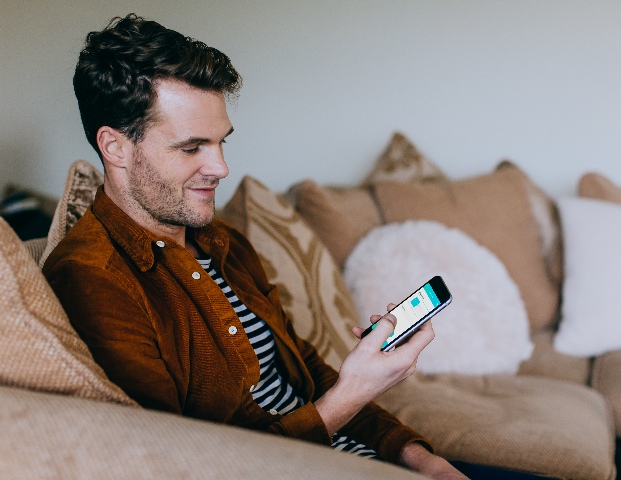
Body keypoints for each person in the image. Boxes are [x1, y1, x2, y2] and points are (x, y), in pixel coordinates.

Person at [42, 14, 467, 479]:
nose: (221, 167)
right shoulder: (93, 277)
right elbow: (178, 460)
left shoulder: (223, 243)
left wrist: (419, 457)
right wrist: (350, 396)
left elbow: (305, 370)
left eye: (221, 142)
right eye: (191, 147)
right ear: (115, 147)